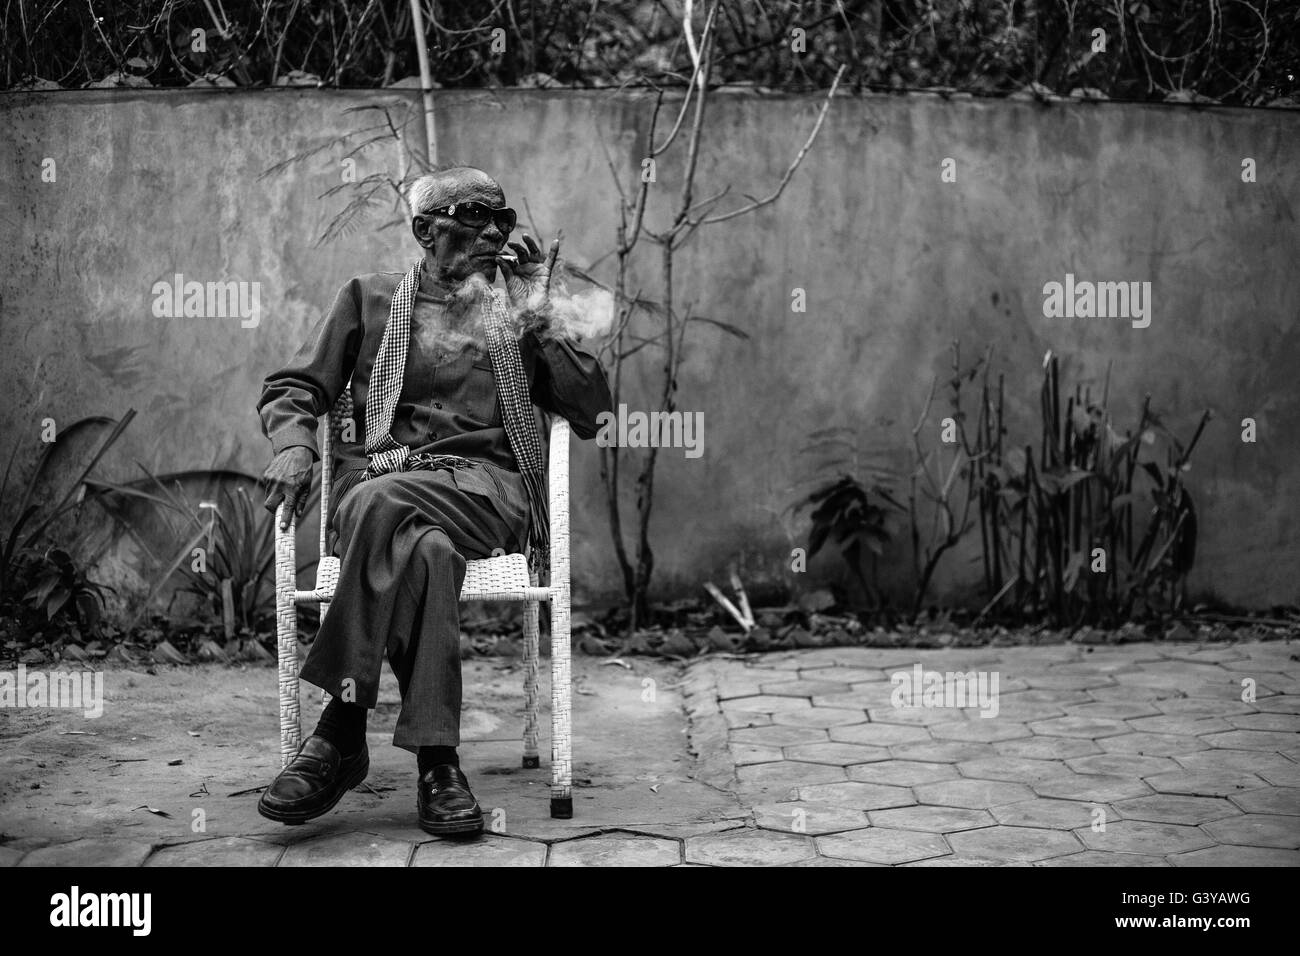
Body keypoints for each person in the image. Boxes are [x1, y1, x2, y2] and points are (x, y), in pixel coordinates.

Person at [255, 166, 612, 835]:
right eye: (471, 218)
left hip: (488, 492)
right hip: (398, 498)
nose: (491, 234)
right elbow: (295, 385)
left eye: (500, 221)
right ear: (425, 230)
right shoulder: (368, 298)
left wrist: (539, 314)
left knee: (373, 504)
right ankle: (439, 762)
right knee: (423, 551)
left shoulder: (515, 308)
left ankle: (341, 723)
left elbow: (591, 410)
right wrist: (296, 442)